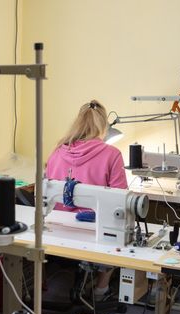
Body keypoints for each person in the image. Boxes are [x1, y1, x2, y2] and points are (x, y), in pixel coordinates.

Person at [45, 99, 128, 298]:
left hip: (57, 227)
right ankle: (101, 288)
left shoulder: (56, 152)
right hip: (93, 231)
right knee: (119, 229)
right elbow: (121, 198)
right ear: (103, 126)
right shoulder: (112, 154)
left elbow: (48, 188)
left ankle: (49, 285)